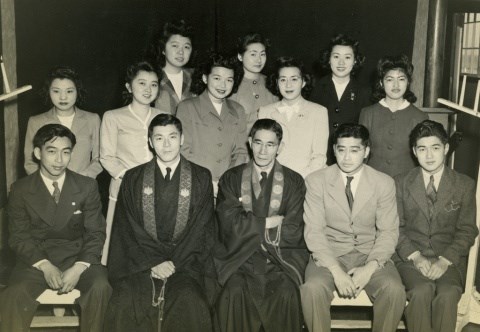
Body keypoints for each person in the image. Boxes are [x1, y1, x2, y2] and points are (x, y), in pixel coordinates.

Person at [104, 114, 215, 332]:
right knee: (126, 299)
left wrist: (172, 264)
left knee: (189, 300)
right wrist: (153, 262)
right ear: (150, 141)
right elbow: (127, 228)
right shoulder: (133, 177)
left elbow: (201, 230)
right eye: (159, 138)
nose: (166, 145)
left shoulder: (201, 176)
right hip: (140, 263)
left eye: (172, 137)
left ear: (182, 139)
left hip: (184, 264)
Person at [0, 124, 111, 332]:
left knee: (101, 287)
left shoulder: (86, 186)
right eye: (51, 151)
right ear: (37, 153)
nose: (59, 160)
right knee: (13, 294)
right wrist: (44, 265)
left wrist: (79, 267)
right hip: (36, 260)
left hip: (78, 256)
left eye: (66, 152)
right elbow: (19, 237)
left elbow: (96, 233)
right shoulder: (21, 189)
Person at [300, 123, 406, 332]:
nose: (347, 157)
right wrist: (336, 272)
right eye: (341, 149)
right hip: (330, 253)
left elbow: (388, 232)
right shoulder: (316, 181)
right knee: (312, 289)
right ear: (334, 150)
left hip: (369, 253)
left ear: (366, 151)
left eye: (354, 150)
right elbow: (314, 231)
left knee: (394, 290)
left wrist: (370, 268)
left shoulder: (383, 183)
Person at [214, 118, 308, 332]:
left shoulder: (294, 181)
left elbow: (293, 230)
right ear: (249, 142)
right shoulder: (231, 178)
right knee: (234, 292)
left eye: (270, 144)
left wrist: (250, 228)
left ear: (280, 147)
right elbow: (228, 224)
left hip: (279, 261)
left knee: (286, 294)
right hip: (240, 260)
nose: (263, 151)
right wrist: (267, 223)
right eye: (258, 143)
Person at [394, 120, 478, 332]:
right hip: (410, 259)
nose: (429, 156)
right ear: (414, 151)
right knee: (421, 291)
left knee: (448, 294)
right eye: (422, 149)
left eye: (435, 148)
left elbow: (468, 230)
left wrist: (445, 260)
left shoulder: (464, 184)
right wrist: (415, 256)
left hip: (448, 259)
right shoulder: (400, 183)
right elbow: (395, 227)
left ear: (446, 148)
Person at [100, 61, 167, 265]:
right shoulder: (113, 117)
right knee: (124, 249)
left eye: (154, 84)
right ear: (129, 87)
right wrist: (132, 178)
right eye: (142, 83)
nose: (148, 90)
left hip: (159, 189)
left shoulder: (164, 118)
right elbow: (107, 157)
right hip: (125, 188)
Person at [176, 52, 248, 196]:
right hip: (194, 186)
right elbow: (183, 151)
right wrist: (205, 182)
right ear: (204, 78)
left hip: (227, 189)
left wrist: (227, 181)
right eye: (217, 78)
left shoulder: (238, 110)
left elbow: (241, 152)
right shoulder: (187, 107)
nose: (223, 85)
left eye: (229, 80)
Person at [24, 66, 102, 178]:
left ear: (78, 92)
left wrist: (82, 180)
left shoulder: (92, 119)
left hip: (82, 186)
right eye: (56, 91)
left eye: (69, 91)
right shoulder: (35, 121)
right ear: (48, 92)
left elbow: (99, 159)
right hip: (48, 189)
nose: (63, 97)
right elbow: (30, 162)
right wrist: (48, 183)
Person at [258, 56, 328, 178]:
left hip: (306, 180)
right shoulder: (265, 111)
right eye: (283, 80)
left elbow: (319, 156)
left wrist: (299, 181)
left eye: (294, 79)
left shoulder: (318, 112)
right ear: (277, 82)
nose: (288, 85)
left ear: (303, 82)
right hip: (272, 179)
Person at [359, 54, 428, 177]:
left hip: (406, 184)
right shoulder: (368, 113)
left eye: (401, 79)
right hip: (373, 181)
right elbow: (361, 153)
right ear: (381, 83)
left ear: (408, 82)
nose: (396, 85)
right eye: (389, 79)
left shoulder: (419, 116)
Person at [309, 34, 371, 166]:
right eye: (336, 56)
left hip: (350, 161)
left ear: (355, 61)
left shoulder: (364, 92)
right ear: (328, 59)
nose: (341, 63)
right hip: (320, 160)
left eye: (347, 57)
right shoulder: (316, 88)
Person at [229, 33, 278, 132]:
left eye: (262, 54)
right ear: (240, 56)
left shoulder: (272, 82)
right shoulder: (230, 83)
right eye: (253, 54)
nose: (259, 60)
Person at [151, 20, 196, 114]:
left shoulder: (196, 77)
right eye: (175, 46)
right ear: (163, 49)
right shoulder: (152, 77)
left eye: (186, 47)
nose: (181, 52)